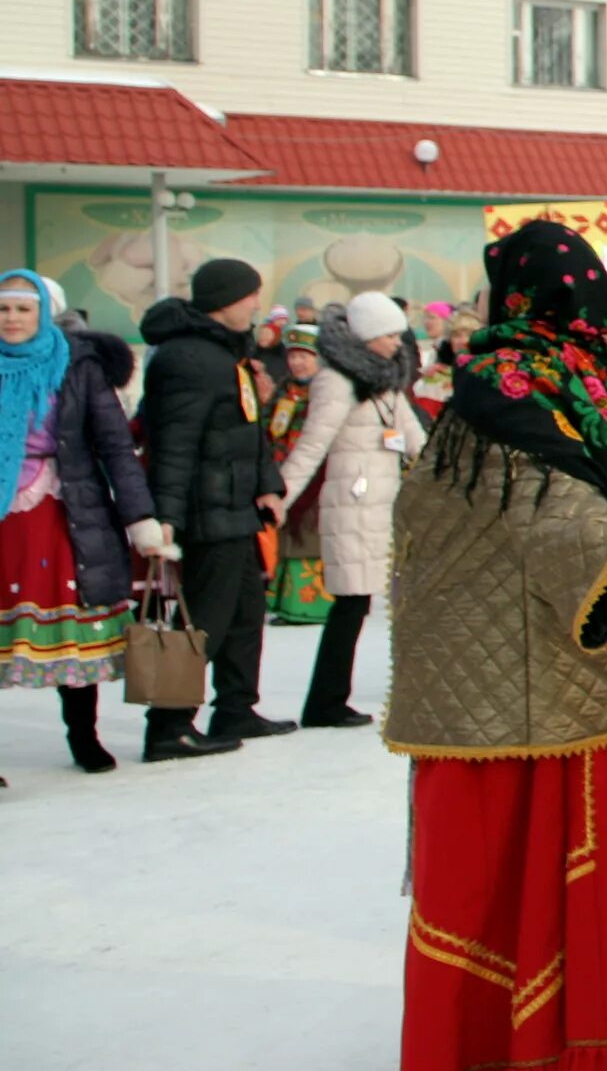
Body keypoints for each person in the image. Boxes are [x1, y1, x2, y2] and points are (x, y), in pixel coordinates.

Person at [382, 225, 607, 1071]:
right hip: (532, 694)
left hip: (588, 675)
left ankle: (585, 1047)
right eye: (594, 308)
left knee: (587, 876)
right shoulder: (509, 403)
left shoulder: (574, 390)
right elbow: (575, 533)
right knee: (547, 873)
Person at [2, 271, 170, 774]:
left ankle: (84, 736)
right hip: (5, 518)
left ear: (44, 314)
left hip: (67, 511)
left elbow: (116, 445)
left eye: (22, 309)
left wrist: (141, 517)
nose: (11, 319)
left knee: (76, 628)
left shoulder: (78, 366)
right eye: (3, 310)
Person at [138, 258, 289, 750]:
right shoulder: (188, 358)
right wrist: (166, 518)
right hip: (207, 509)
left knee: (245, 612)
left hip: (235, 503)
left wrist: (268, 485)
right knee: (203, 618)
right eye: (250, 295)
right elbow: (173, 444)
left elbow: (247, 428)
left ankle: (236, 710)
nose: (256, 305)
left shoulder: (226, 351)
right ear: (226, 299)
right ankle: (170, 726)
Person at [273, 293, 426, 729]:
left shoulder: (385, 380)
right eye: (389, 335)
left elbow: (416, 440)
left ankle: (334, 697)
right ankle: (325, 700)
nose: (398, 343)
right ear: (367, 337)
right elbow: (312, 446)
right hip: (353, 506)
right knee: (351, 604)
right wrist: (278, 498)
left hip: (383, 505)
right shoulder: (337, 382)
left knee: (361, 605)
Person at [262, 323, 337, 627]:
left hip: (319, 478)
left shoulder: (327, 393)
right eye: (293, 356)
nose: (297, 362)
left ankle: (310, 607)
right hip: (284, 475)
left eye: (305, 356)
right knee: (288, 537)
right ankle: (284, 602)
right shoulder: (285, 390)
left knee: (309, 538)